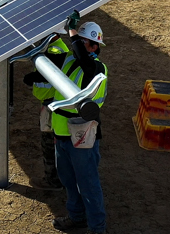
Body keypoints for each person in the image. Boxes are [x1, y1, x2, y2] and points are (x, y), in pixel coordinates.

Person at [51, 14, 108, 234]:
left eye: (85, 42)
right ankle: (77, 217)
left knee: (88, 184)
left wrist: (73, 32)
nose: (80, 46)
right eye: (80, 41)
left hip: (83, 136)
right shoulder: (70, 61)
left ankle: (97, 229)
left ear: (94, 47)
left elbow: (84, 62)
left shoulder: (97, 69)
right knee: (68, 180)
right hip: (63, 133)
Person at [22, 34, 70, 190]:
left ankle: (53, 180)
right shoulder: (53, 47)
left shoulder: (56, 50)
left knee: (49, 143)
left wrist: (31, 77)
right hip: (51, 103)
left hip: (52, 104)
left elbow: (50, 71)